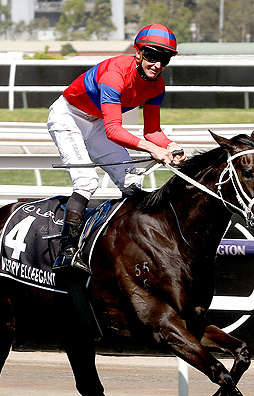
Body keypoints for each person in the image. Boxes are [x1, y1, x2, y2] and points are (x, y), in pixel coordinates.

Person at [47, 24, 186, 273]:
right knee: (86, 181)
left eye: (163, 59)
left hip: (98, 121)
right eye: (152, 56)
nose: (156, 64)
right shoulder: (115, 75)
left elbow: (153, 131)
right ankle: (66, 253)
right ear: (138, 53)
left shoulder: (158, 85)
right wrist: (152, 150)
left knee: (131, 180)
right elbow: (114, 130)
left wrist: (171, 146)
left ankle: (131, 242)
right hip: (68, 117)